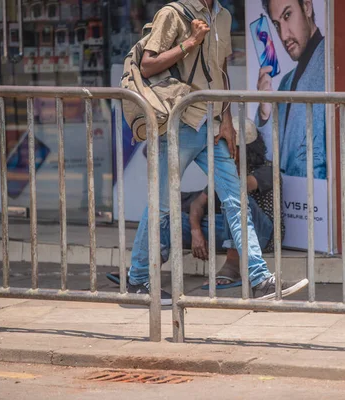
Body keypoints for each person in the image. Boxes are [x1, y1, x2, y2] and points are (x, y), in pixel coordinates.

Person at [128, 0, 306, 305]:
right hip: (178, 123)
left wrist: (226, 120)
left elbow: (220, 71)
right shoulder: (172, 13)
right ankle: (139, 279)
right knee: (162, 207)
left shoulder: (222, 15)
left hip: (210, 125)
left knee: (236, 199)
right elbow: (147, 64)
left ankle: (260, 278)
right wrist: (190, 42)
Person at [108, 118, 284, 291]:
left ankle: (233, 265)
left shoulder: (266, 170)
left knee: (235, 199)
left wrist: (228, 167)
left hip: (263, 235)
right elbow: (198, 204)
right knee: (169, 219)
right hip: (226, 229)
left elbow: (241, 187)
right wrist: (195, 231)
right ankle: (145, 271)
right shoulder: (223, 172)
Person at [255, 0, 326, 179]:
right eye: (277, 24)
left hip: (320, 193)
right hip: (291, 197)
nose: (284, 35)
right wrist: (265, 111)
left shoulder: (331, 64)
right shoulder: (285, 82)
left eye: (288, 15)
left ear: (307, 7)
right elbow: (269, 154)